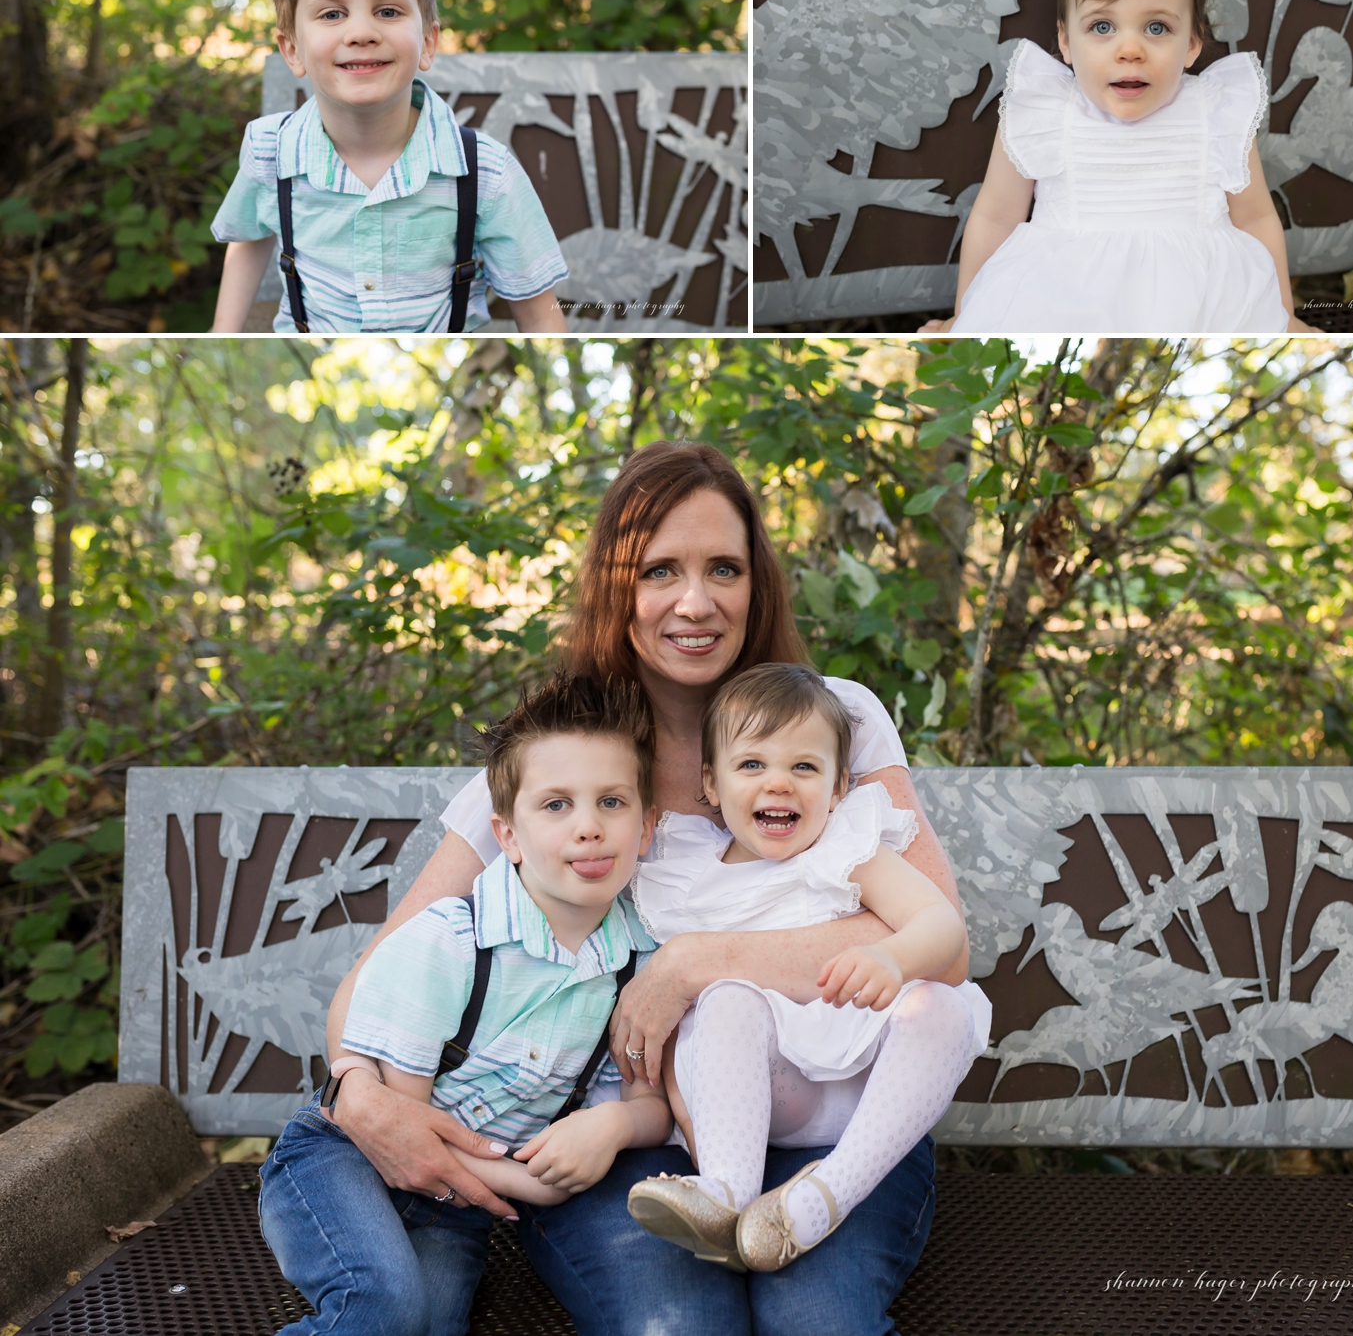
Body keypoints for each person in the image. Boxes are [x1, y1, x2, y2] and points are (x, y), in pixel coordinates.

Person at [322, 440, 973, 1336]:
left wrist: (697, 963)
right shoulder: (565, 767)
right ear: (615, 587)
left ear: (759, 585)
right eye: (659, 569)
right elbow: (382, 969)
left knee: (818, 1323)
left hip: (842, 1125)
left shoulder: (832, 721)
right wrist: (356, 1094)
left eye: (724, 568)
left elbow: (943, 943)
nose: (695, 601)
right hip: (637, 1144)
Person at [258, 674, 669, 1336]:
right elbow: (402, 1125)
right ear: (506, 833)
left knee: (427, 1327)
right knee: (382, 1307)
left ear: (647, 825)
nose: (589, 827)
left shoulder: (636, 963)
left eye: (613, 801)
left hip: (455, 1204)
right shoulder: (453, 942)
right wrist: (533, 1184)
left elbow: (647, 1101)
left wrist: (612, 1127)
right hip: (346, 1158)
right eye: (557, 804)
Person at [626, 664, 990, 1274]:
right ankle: (726, 1193)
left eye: (804, 767)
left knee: (943, 1008)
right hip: (762, 1100)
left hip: (867, 1096)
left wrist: (892, 957)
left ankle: (826, 1196)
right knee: (727, 1000)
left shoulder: (847, 849)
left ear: (839, 784)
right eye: (752, 766)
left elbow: (943, 925)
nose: (780, 785)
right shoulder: (687, 871)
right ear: (710, 784)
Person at [920, 0, 1320, 335]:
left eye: (1156, 27)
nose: (1130, 50)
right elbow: (996, 217)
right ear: (1066, 43)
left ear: (1192, 44)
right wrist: (967, 316)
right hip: (1060, 296)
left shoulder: (1215, 111)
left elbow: (1255, 218)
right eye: (1102, 27)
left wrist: (1284, 316)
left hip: (1206, 299)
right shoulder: (1044, 111)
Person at [209, 0, 567, 334]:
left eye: (388, 12)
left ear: (428, 42)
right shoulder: (269, 152)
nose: (361, 31)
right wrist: (224, 333)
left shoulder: (485, 173)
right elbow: (249, 235)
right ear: (293, 48)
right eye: (332, 14)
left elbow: (539, 312)